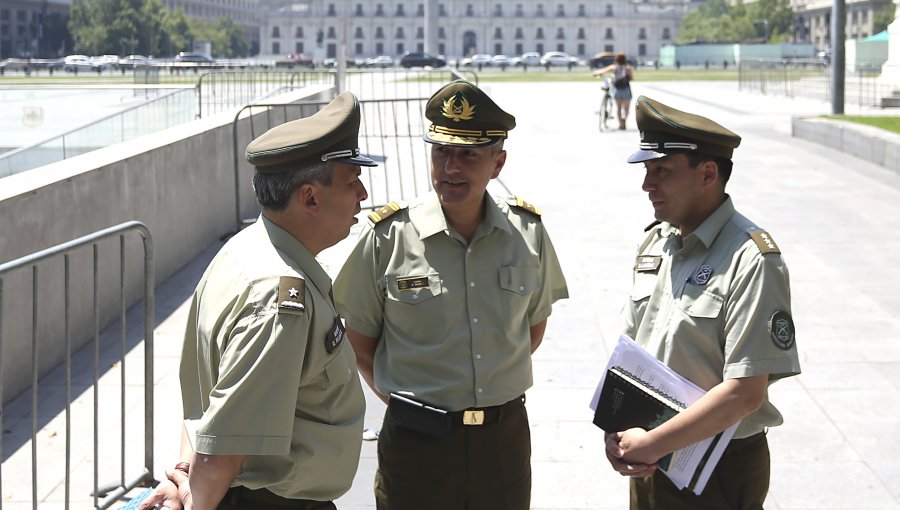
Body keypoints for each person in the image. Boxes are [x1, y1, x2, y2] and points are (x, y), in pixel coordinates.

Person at [333, 80, 569, 510]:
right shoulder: (388, 236)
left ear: (497, 164)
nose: (451, 167)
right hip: (416, 443)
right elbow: (359, 342)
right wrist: (410, 404)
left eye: (468, 155)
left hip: (503, 439)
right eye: (441, 151)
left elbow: (532, 329)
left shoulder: (527, 232)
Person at [138, 91, 376, 510]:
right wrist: (193, 499)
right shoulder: (279, 297)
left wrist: (183, 476)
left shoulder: (245, 250)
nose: (363, 193)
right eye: (350, 180)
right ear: (310, 198)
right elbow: (223, 449)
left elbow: (209, 401)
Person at [604, 95, 801, 509]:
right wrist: (617, 430)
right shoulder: (658, 242)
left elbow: (745, 393)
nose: (647, 184)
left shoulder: (751, 258)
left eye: (661, 171)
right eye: (647, 171)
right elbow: (631, 350)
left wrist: (651, 443)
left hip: (717, 469)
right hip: (651, 458)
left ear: (708, 173)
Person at [592, 53, 633, 130]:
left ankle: (620, 123)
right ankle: (624, 119)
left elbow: (602, 71)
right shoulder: (628, 68)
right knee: (626, 108)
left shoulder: (614, 67)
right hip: (626, 90)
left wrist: (595, 73)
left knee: (619, 108)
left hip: (617, 90)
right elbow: (631, 78)